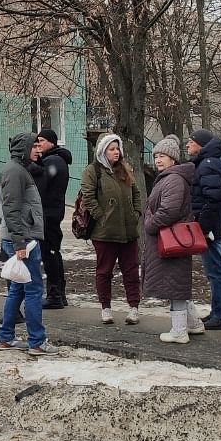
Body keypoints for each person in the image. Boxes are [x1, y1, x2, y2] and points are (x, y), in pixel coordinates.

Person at [0, 133, 58, 355]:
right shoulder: (15, 172)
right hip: (24, 239)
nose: (38, 150)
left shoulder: (19, 170)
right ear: (23, 148)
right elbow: (11, 209)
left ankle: (5, 336)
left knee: (18, 289)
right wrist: (20, 242)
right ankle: (37, 342)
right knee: (33, 290)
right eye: (34, 146)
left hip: (22, 237)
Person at [80, 133, 145, 325]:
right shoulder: (93, 171)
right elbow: (88, 196)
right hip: (104, 233)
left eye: (118, 149)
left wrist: (136, 214)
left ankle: (134, 308)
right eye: (112, 149)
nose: (116, 152)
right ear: (103, 151)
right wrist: (101, 217)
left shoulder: (124, 170)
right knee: (104, 272)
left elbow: (136, 193)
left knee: (131, 271)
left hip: (128, 232)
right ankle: (105, 308)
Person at [143, 136, 199, 343]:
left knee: (175, 285)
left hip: (171, 240)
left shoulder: (173, 179)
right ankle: (193, 324)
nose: (158, 160)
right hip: (172, 240)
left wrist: (149, 222)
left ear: (173, 159)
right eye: (156, 156)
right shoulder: (168, 178)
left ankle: (179, 331)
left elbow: (169, 211)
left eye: (163, 156)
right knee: (177, 283)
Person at [187, 129, 221, 329]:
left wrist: (202, 226)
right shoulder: (207, 164)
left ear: (201, 145)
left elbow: (212, 200)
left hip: (209, 229)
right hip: (210, 227)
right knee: (213, 271)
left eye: (191, 142)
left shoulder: (207, 165)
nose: (188, 146)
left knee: (215, 272)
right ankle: (218, 312)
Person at [33, 128, 73, 309]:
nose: (38, 144)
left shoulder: (52, 161)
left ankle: (55, 294)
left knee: (50, 254)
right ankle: (58, 294)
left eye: (41, 140)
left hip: (48, 213)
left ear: (52, 142)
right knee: (53, 253)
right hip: (52, 212)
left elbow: (40, 185)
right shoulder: (57, 160)